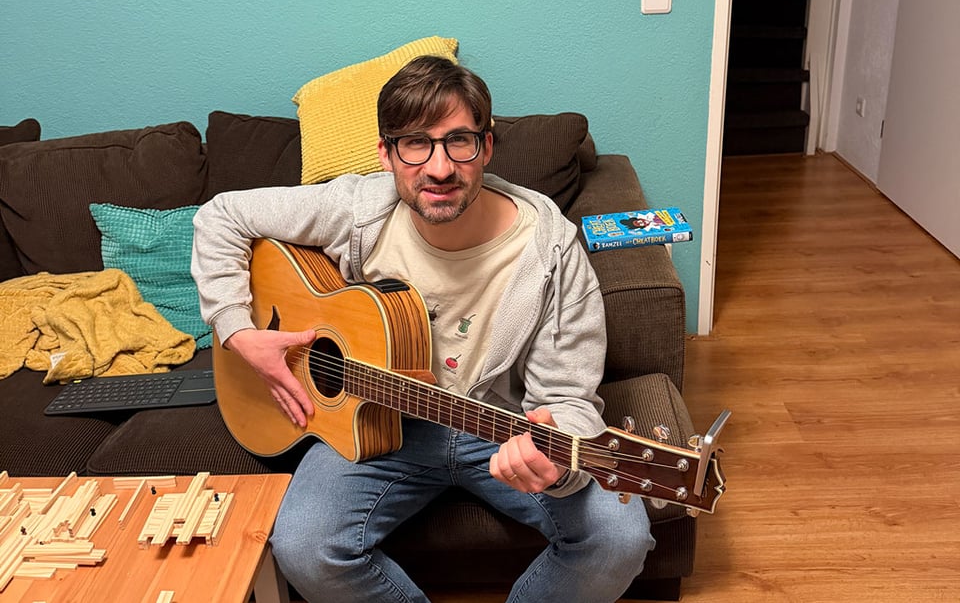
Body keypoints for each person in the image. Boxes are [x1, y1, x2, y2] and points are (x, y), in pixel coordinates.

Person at [191, 55, 654, 602]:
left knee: (621, 538)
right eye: (416, 143)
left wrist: (555, 464)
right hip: (377, 425)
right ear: (386, 154)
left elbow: (568, 399)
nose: (439, 168)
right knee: (302, 546)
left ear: (487, 146)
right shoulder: (356, 209)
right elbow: (220, 216)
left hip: (501, 429)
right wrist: (239, 333)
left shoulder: (552, 251)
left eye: (460, 141)